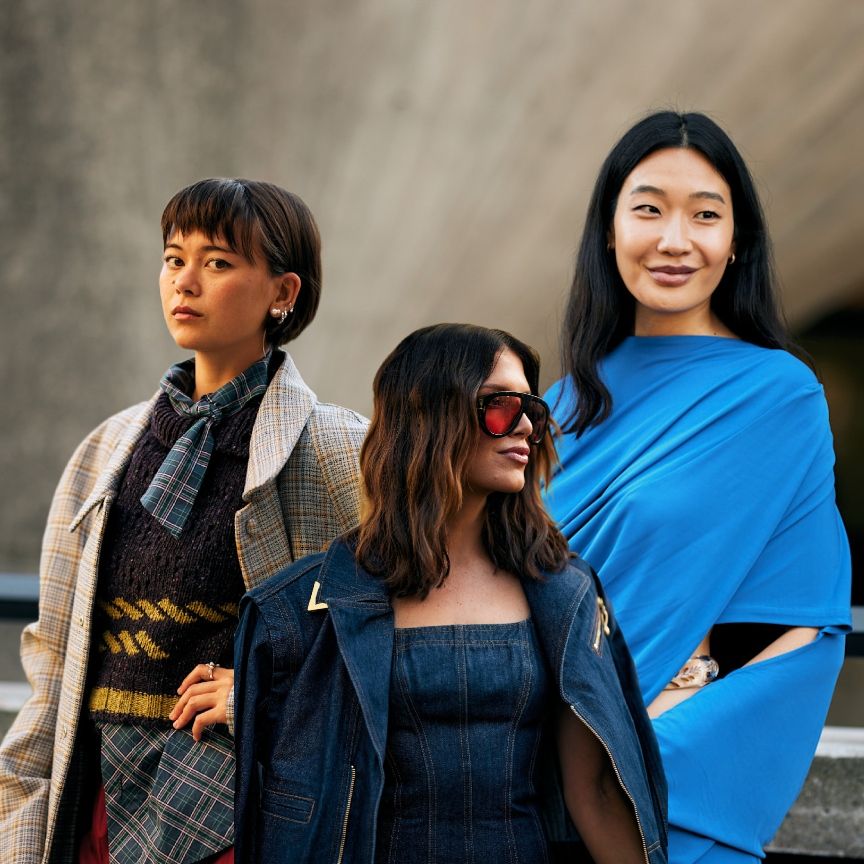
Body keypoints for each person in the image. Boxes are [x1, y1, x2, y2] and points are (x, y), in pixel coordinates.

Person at [0, 178, 367, 864]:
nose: (185, 281)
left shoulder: (336, 448)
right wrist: (20, 809)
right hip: (96, 797)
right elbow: (53, 650)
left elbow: (389, 628)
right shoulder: (108, 449)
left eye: (217, 262)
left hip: (237, 804)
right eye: (174, 259)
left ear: (283, 293)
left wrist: (257, 694)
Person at [234, 323, 668, 864]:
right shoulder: (299, 613)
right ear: (427, 414)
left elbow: (598, 794)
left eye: (531, 408)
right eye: (500, 405)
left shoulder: (563, 594)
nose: (526, 426)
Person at [543, 111, 852, 864]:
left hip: (667, 777)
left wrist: (653, 751)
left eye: (706, 215)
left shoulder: (778, 395)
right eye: (649, 209)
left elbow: (806, 625)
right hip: (528, 780)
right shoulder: (558, 406)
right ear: (609, 231)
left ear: (736, 240)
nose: (675, 240)